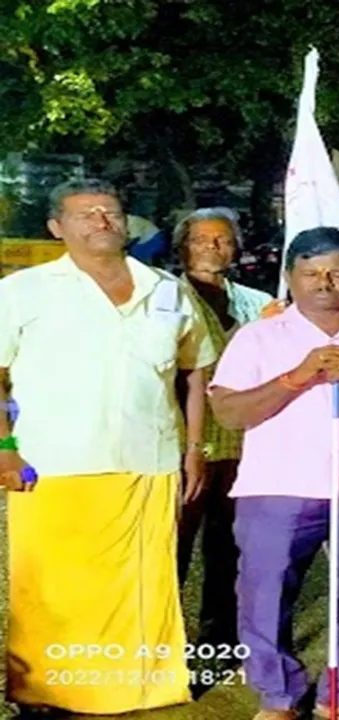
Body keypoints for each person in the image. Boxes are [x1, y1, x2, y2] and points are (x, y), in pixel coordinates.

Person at [0, 179, 216, 715]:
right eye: (85, 214)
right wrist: (5, 445)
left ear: (125, 223)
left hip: (151, 461)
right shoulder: (24, 290)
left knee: (143, 586)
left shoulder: (166, 289)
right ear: (57, 228)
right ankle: (45, 692)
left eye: (110, 211)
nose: (101, 220)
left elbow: (196, 372)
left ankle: (135, 688)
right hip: (53, 463)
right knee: (49, 588)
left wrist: (194, 448)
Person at [209, 227, 339, 720]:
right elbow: (230, 413)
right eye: (310, 273)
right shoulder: (259, 337)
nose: (324, 282)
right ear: (290, 277)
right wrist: (297, 378)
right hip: (277, 484)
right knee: (264, 592)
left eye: (337, 272)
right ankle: (277, 694)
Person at [170, 207, 273, 651]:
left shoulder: (257, 303)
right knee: (171, 545)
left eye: (222, 240)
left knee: (229, 548)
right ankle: (163, 641)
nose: (213, 248)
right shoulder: (164, 297)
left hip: (242, 444)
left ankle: (221, 636)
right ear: (183, 247)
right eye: (201, 239)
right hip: (180, 444)